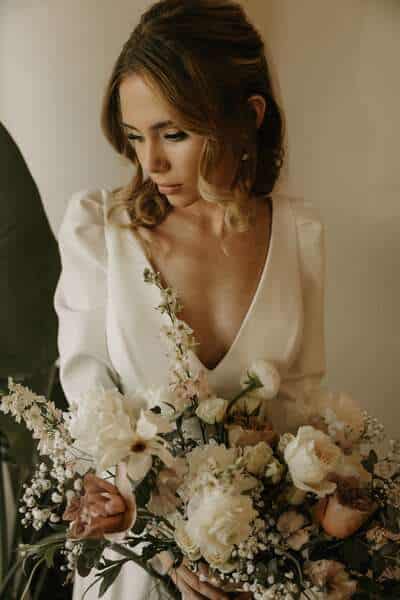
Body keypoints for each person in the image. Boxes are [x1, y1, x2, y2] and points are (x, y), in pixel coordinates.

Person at [54, 1, 326, 598]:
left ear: (248, 116)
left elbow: (301, 417)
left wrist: (260, 548)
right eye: (134, 136)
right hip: (133, 565)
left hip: (258, 573)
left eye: (173, 134)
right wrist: (162, 541)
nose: (151, 163)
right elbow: (88, 407)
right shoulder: (100, 229)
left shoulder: (298, 235)